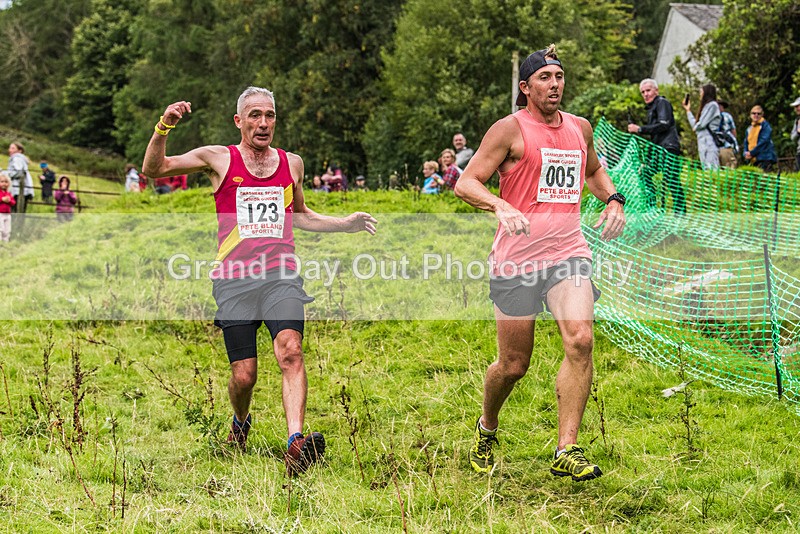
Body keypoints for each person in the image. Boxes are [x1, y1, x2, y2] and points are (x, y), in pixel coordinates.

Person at [142, 87, 377, 475]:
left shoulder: (292, 163)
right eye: (254, 115)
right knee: (244, 375)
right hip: (234, 280)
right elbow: (154, 169)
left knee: (291, 351)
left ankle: (295, 442)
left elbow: (298, 214)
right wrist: (164, 126)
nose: (263, 123)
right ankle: (240, 422)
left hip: (280, 275)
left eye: (269, 115)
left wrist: (344, 224)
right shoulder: (218, 158)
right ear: (239, 121)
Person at [453, 45, 625, 481]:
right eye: (545, 78)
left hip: (569, 254)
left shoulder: (580, 128)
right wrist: (499, 206)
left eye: (560, 76)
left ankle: (567, 446)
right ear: (526, 87)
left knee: (581, 340)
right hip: (517, 260)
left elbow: (592, 172)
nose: (555, 84)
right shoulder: (509, 130)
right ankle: (487, 427)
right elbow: (467, 182)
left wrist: (614, 199)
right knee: (513, 365)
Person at [627, 79, 686, 214]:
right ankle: (652, 208)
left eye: (648, 90)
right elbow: (655, 135)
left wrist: (640, 129)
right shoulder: (651, 108)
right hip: (659, 149)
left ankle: (680, 214)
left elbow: (664, 124)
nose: (645, 94)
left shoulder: (662, 103)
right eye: (643, 92)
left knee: (671, 180)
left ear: (656, 90)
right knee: (645, 172)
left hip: (669, 148)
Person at [682, 84, 721, 170]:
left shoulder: (713, 105)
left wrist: (696, 127)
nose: (700, 94)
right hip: (702, 143)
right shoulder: (705, 107)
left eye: (701, 92)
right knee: (706, 170)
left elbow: (701, 124)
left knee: (712, 169)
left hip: (709, 143)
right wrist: (688, 110)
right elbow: (696, 126)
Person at [742, 105, 777, 172]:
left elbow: (764, 142)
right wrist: (745, 153)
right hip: (753, 159)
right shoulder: (749, 128)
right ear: (750, 115)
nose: (756, 115)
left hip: (765, 157)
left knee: (765, 180)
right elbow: (746, 142)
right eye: (754, 113)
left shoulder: (766, 126)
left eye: (758, 113)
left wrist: (752, 153)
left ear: (762, 114)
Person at [7, 142, 34, 213]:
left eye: (13, 148)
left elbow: (19, 171)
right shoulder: (20, 158)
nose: (10, 150)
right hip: (23, 188)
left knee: (15, 209)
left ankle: (15, 224)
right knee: (21, 210)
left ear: (20, 150)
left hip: (17, 188)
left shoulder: (17, 158)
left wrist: (8, 175)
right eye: (10, 148)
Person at [717, 100, 738, 169]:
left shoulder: (725, 116)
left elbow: (733, 131)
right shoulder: (727, 116)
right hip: (724, 147)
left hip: (721, 147)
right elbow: (733, 131)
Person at [0, 172, 15, 241]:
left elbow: (13, 202)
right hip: (0, 214)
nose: (4, 184)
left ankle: (6, 242)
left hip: (7, 214)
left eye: (6, 182)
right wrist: (2, 199)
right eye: (2, 182)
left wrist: (9, 201)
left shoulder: (8, 193)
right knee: (1, 229)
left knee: (7, 230)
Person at [790, 96, 800, 172]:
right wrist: (798, 132)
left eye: (798, 106)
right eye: (795, 107)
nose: (796, 108)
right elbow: (792, 137)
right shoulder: (797, 121)